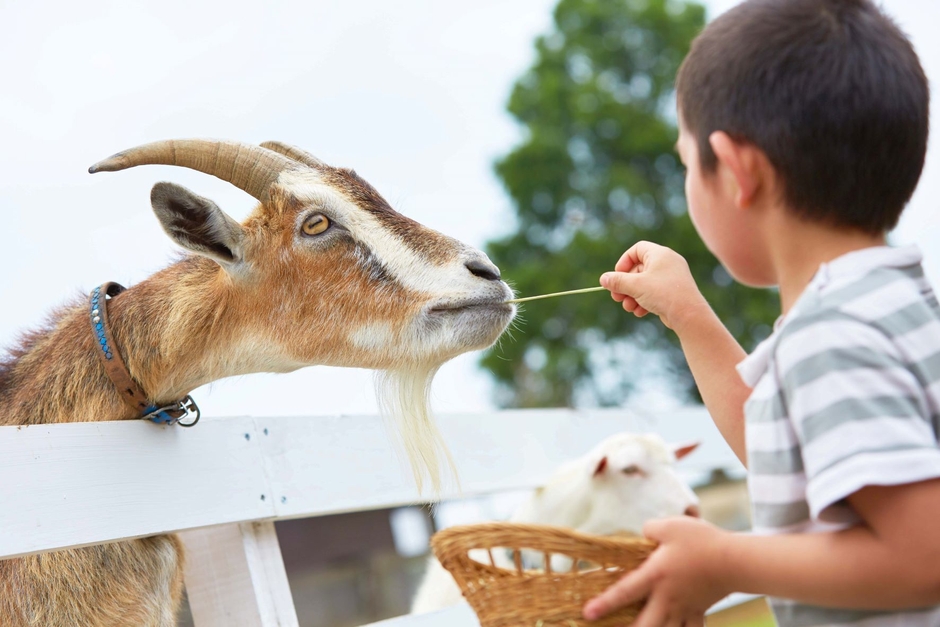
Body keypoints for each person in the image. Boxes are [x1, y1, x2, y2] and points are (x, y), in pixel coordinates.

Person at [582, 1, 940, 626]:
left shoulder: (832, 338)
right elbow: (783, 454)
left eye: (686, 163)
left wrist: (727, 560)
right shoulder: (889, 307)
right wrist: (689, 317)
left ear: (736, 171)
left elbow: (924, 555)